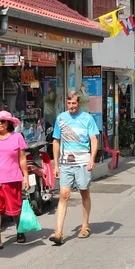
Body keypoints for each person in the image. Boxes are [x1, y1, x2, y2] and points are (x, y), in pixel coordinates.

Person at [49, 91, 99, 245]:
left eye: (74, 103)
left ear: (79, 103)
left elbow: (93, 139)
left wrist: (92, 158)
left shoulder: (87, 118)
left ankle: (85, 226)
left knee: (84, 191)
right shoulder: (61, 118)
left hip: (83, 161)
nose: (71, 106)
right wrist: (55, 164)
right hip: (65, 163)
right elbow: (56, 141)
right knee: (64, 194)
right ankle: (58, 232)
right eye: (69, 103)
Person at [0, 111, 30, 252]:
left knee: (14, 209)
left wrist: (26, 176)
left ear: (9, 123)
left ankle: (19, 229)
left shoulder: (17, 137)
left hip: (13, 179)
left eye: (3, 121)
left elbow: (22, 158)